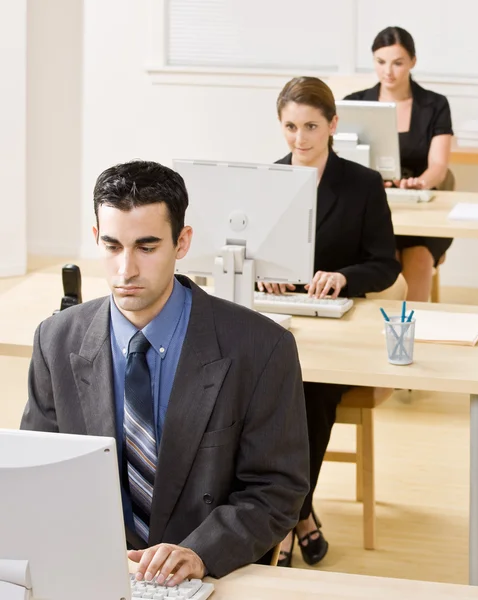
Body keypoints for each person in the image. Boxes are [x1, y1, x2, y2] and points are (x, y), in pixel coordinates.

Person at [21, 160, 310, 582]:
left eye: (147, 246)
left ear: (183, 242)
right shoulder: (55, 340)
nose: (126, 270)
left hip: (213, 576)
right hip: (93, 571)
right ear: (96, 237)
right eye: (113, 246)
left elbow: (278, 490)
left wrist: (200, 554)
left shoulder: (262, 348)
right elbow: (38, 475)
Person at [259, 77, 401, 567]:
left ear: (333, 125)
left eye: (311, 126)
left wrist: (342, 276)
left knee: (310, 393)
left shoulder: (361, 184)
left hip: (338, 329)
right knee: (261, 391)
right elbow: (244, 253)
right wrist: (265, 273)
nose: (300, 138)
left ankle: (282, 521)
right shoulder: (266, 179)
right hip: (279, 324)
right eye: (290, 126)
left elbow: (386, 264)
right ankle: (300, 516)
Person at [345, 26, 454, 302]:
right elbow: (343, 161)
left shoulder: (435, 104)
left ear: (413, 62)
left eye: (397, 63)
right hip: (374, 210)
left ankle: (414, 330)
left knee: (417, 257)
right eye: (380, 62)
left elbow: (439, 166)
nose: (388, 72)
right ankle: (382, 333)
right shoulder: (353, 103)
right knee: (382, 260)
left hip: (420, 209)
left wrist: (421, 182)